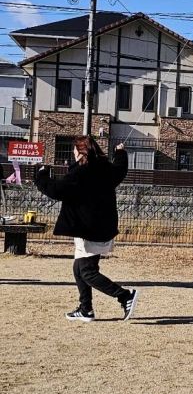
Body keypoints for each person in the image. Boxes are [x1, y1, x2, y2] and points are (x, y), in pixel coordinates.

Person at [34, 136, 138, 322]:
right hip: (102, 227)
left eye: (74, 150)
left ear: (81, 152)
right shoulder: (106, 169)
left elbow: (56, 190)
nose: (73, 154)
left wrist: (40, 175)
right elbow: (121, 169)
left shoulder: (81, 173)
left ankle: (124, 296)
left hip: (87, 229)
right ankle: (85, 309)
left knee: (88, 272)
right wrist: (120, 152)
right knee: (78, 268)